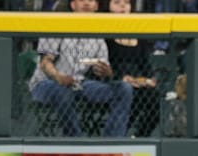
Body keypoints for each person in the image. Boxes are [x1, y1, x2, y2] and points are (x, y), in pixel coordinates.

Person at [28, 0, 133, 136]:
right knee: (63, 91)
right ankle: (75, 141)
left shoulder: (98, 34)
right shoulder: (56, 24)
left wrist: (106, 72)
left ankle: (111, 143)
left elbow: (102, 69)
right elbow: (45, 63)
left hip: (79, 84)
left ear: (96, 6)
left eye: (91, 0)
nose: (87, 3)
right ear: (73, 5)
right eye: (82, 0)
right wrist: (59, 77)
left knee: (123, 89)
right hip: (46, 84)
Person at [103, 0, 160, 137]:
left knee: (153, 97)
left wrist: (148, 79)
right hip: (114, 80)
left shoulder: (139, 37)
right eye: (117, 3)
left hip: (137, 82)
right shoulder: (104, 35)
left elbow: (145, 65)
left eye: (126, 3)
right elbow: (103, 64)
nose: (123, 6)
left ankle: (140, 136)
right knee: (126, 91)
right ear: (108, 7)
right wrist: (121, 77)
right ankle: (119, 135)